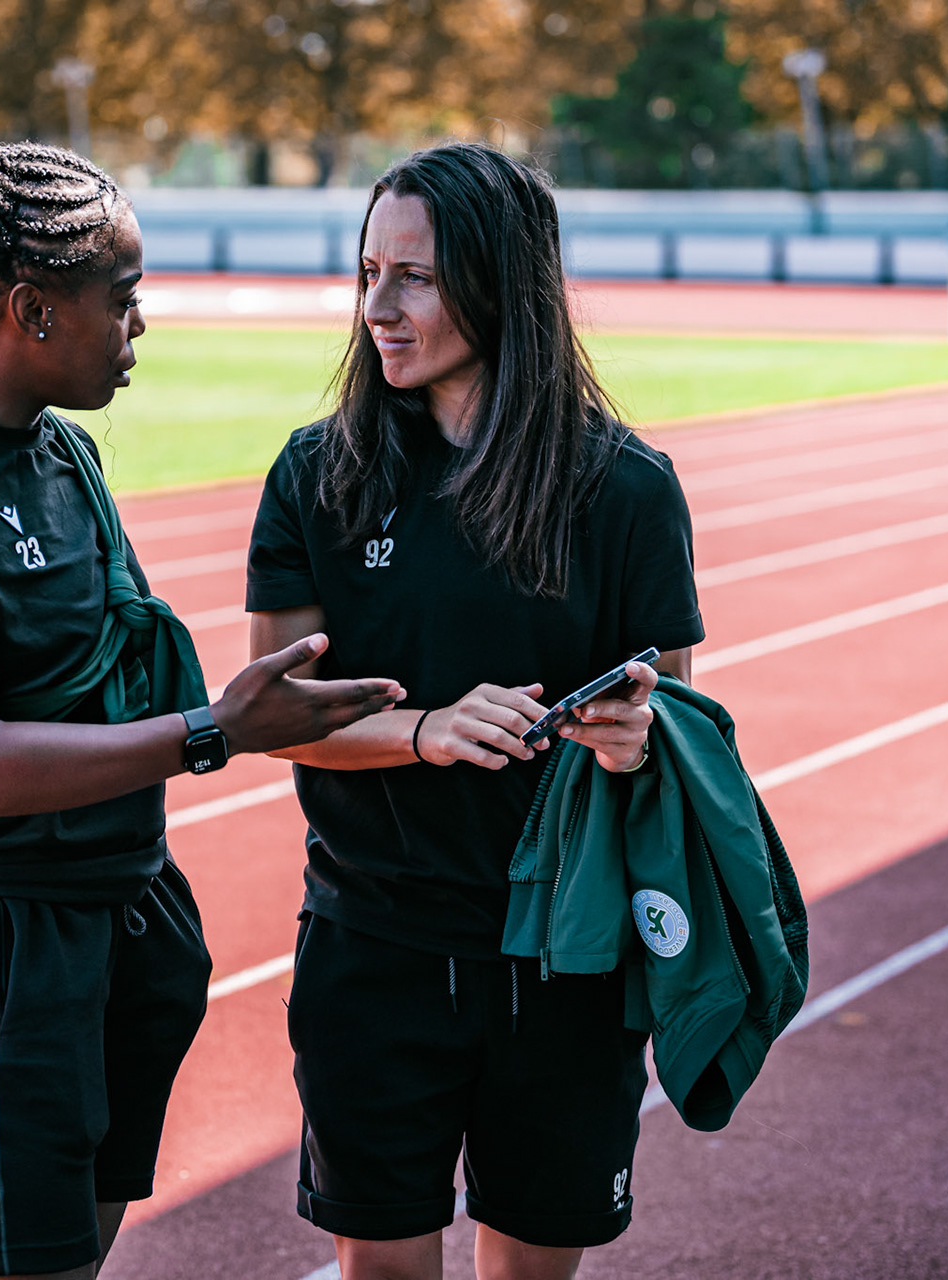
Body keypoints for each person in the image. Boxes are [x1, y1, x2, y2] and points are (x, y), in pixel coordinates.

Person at [0, 124, 404, 1280]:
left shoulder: (63, 454)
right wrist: (217, 729)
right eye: (124, 295)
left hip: (104, 923)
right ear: (31, 308)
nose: (140, 322)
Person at [245, 143, 706, 1280]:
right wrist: (426, 729)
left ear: (505, 282)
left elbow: (682, 721)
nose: (379, 310)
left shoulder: (627, 488)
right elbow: (271, 713)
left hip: (568, 958)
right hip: (376, 943)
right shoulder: (318, 474)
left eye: (417, 277)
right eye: (368, 272)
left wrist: (639, 734)